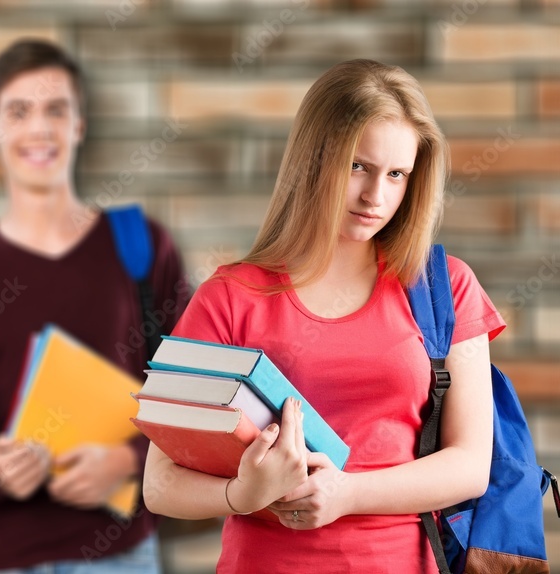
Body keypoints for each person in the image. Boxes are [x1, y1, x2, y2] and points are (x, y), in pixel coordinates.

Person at [142, 59, 505, 573]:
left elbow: (470, 466)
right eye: (358, 166)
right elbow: (159, 483)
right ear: (313, 161)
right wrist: (242, 494)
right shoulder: (229, 298)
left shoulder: (443, 289)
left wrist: (347, 493)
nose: (376, 197)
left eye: (397, 174)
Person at [0, 39, 190, 572]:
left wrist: (127, 460)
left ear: (80, 125)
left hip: (122, 551)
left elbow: (197, 394)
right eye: (18, 111)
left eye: (56, 110)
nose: (39, 129)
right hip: (0, 555)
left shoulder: (140, 244)